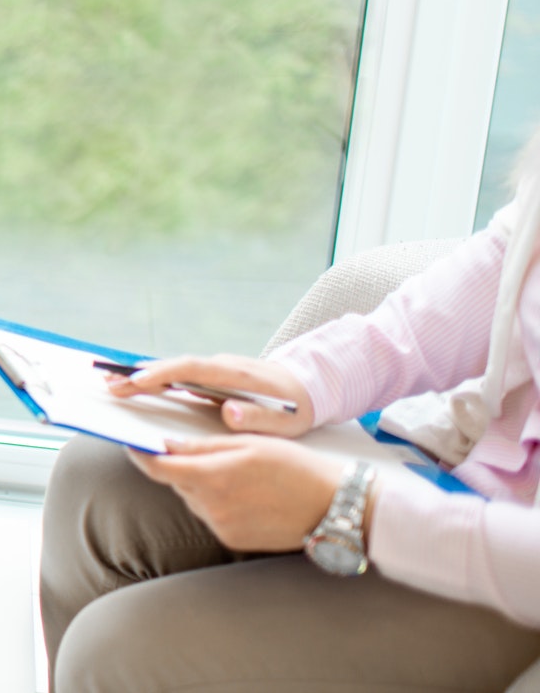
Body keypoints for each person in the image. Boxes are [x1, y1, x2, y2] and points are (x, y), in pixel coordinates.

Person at [40, 160, 540, 692]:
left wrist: (357, 509)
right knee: (99, 477)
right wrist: (291, 382)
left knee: (117, 650)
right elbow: (487, 280)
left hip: (515, 574)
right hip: (467, 484)